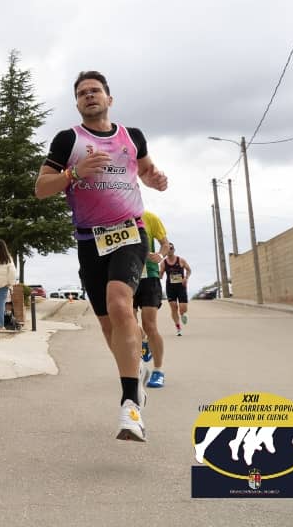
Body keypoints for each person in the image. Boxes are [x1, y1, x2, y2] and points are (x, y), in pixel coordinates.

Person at [35, 71, 167, 442]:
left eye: (95, 91)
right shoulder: (68, 140)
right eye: (82, 93)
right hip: (89, 241)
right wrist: (73, 172)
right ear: (77, 103)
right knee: (111, 328)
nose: (89, 96)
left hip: (130, 232)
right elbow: (41, 188)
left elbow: (145, 170)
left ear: (109, 98)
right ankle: (134, 377)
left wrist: (155, 179)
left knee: (121, 304)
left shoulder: (132, 136)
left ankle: (130, 404)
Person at [134, 210, 168, 390]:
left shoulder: (150, 217)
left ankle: (158, 370)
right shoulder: (114, 218)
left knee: (150, 325)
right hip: (126, 277)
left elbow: (165, 244)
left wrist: (160, 255)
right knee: (129, 325)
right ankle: (143, 343)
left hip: (149, 277)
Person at [162, 243, 192, 334]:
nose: (169, 250)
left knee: (183, 308)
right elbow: (160, 274)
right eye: (168, 249)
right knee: (173, 307)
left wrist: (186, 278)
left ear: (174, 250)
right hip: (170, 287)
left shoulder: (181, 260)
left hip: (181, 287)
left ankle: (182, 314)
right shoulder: (163, 263)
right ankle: (178, 327)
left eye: (171, 248)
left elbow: (189, 270)